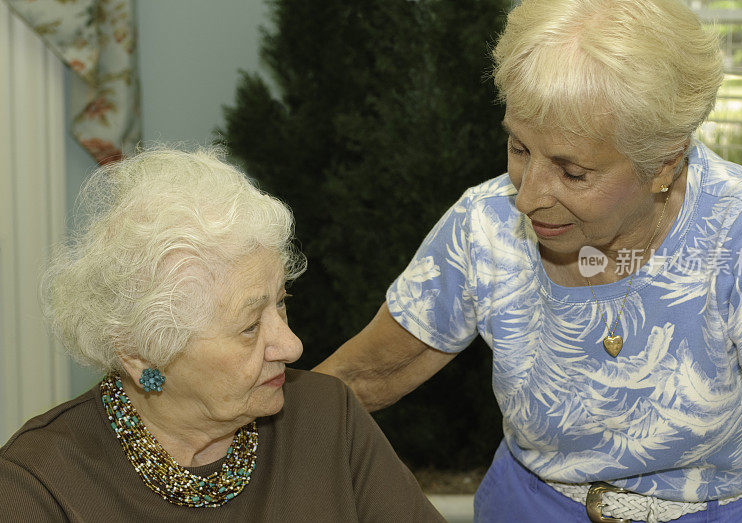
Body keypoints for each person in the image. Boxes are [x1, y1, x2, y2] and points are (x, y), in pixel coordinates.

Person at [314, 1, 742, 521]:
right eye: (519, 147)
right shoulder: (486, 222)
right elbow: (365, 377)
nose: (526, 199)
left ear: (664, 164)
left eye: (572, 173)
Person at [0, 147, 444, 522]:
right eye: (250, 327)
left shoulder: (327, 418)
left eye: (281, 302)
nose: (292, 346)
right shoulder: (39, 484)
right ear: (141, 353)